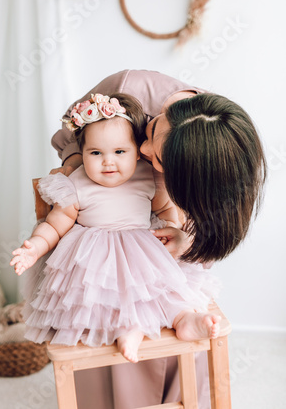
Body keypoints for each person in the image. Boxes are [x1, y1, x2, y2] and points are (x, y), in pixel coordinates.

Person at [48, 69, 266, 409]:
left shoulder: (217, 158)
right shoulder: (124, 90)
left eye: (158, 158)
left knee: (181, 305)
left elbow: (212, 234)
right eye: (152, 130)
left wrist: (188, 242)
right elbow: (70, 137)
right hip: (107, 235)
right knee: (113, 314)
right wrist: (84, 175)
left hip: (163, 241)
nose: (144, 148)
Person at [11, 93, 222, 364]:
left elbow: (167, 210)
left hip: (142, 247)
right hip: (94, 256)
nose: (108, 162)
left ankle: (184, 319)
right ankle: (127, 329)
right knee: (103, 296)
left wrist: (171, 227)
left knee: (164, 287)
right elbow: (55, 225)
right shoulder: (75, 184)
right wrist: (35, 247)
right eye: (96, 153)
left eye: (120, 152)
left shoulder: (148, 176)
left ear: (137, 151)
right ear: (82, 153)